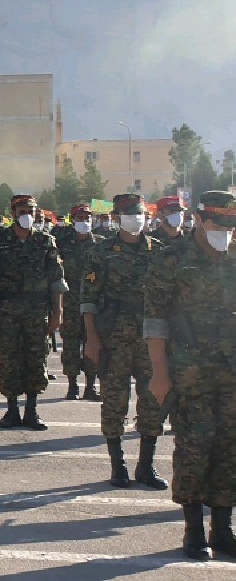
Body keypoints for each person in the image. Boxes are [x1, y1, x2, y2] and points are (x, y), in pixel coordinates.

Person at [145, 190, 236, 560]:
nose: (225, 232)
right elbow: (155, 319)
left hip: (231, 370)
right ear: (199, 220)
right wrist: (159, 373)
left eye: (230, 226)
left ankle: (223, 529)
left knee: (230, 447)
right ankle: (193, 529)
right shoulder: (172, 258)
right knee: (194, 446)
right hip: (189, 370)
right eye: (218, 224)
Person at [83, 194, 167, 491]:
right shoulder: (101, 251)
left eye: (140, 214)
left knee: (153, 399)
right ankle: (118, 466)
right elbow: (88, 299)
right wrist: (91, 338)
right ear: (118, 218)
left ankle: (146, 465)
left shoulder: (159, 251)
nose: (136, 219)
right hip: (114, 337)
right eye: (130, 214)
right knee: (114, 400)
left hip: (149, 338)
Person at [0, 195, 66, 431]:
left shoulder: (45, 241)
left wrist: (58, 312)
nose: (27, 215)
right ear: (13, 213)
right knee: (8, 359)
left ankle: (31, 410)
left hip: (37, 310)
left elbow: (56, 280)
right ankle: (11, 410)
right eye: (22, 211)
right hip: (6, 311)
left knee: (36, 359)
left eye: (31, 211)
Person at [54, 204, 103, 400]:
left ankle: (90, 386)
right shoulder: (63, 244)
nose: (84, 221)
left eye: (87, 218)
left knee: (93, 342)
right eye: (80, 218)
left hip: (94, 302)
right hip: (70, 302)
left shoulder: (100, 244)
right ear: (73, 220)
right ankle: (72, 386)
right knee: (71, 345)